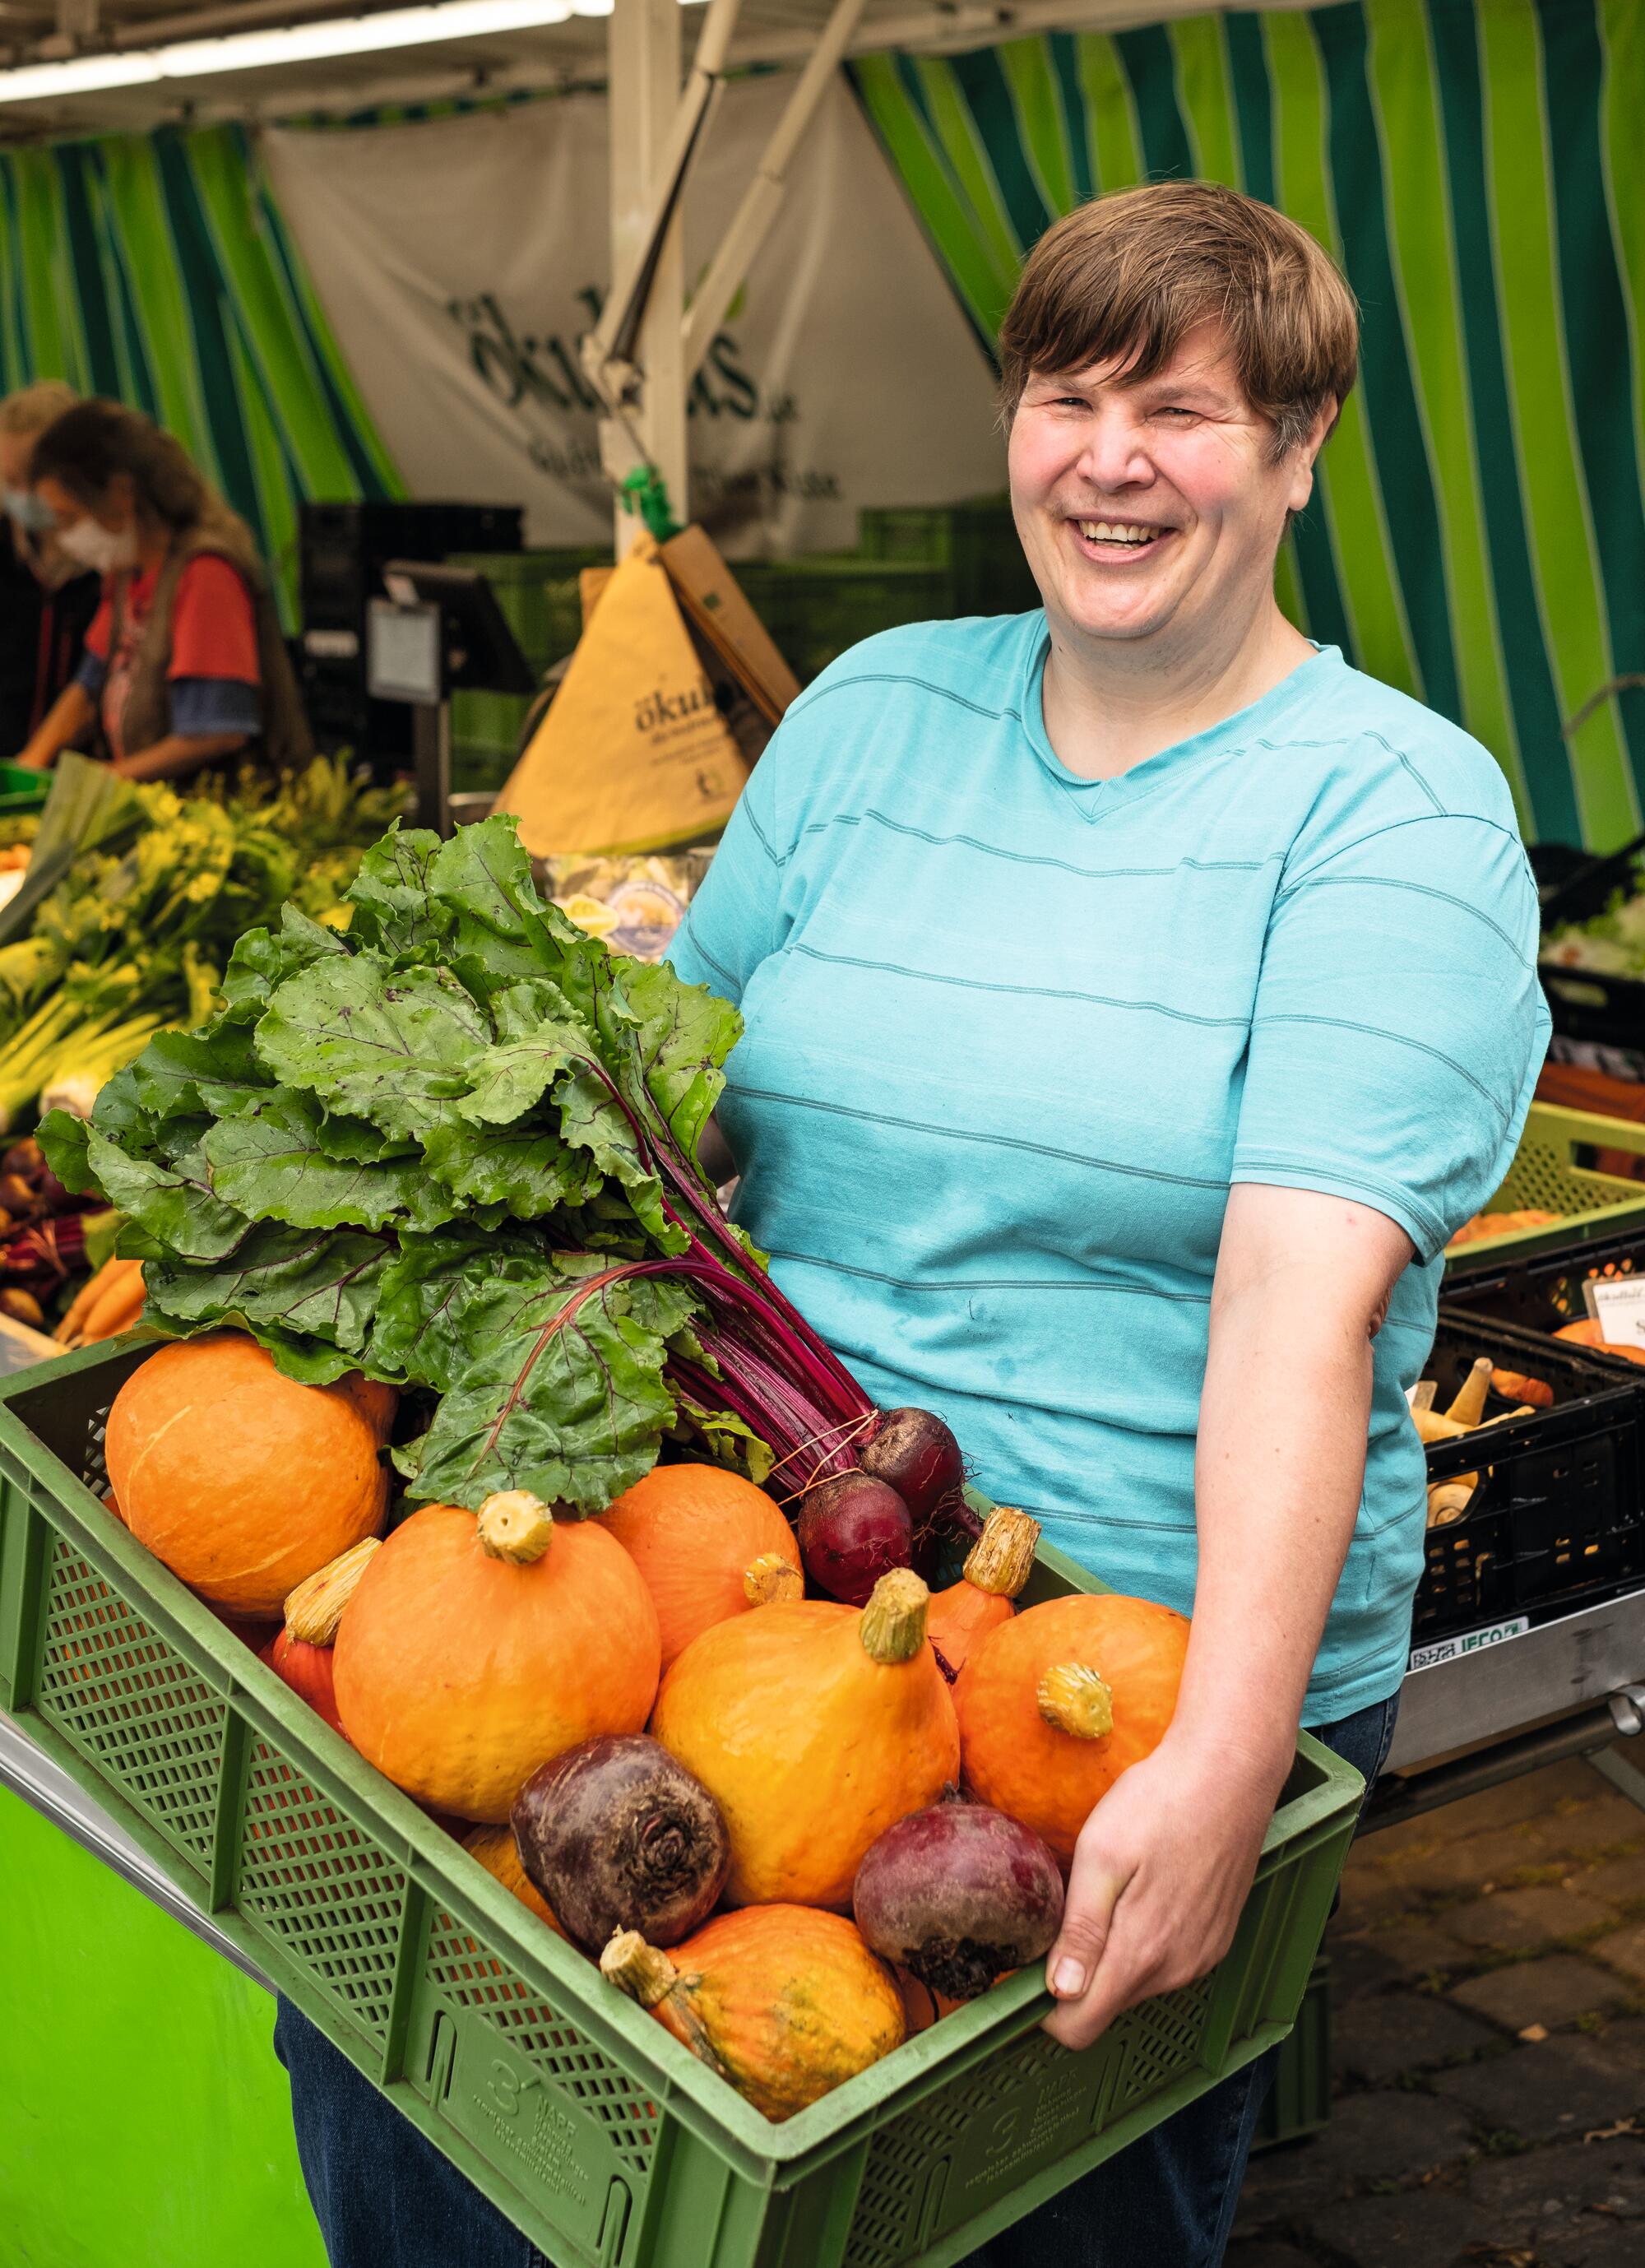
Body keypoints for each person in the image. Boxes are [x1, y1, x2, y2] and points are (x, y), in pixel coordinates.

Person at [271, 182, 1549, 2268]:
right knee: (459, 2101)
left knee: (1013, 2212)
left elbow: (1292, 1316)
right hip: (750, 1593)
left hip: (1117, 1663)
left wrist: (1224, 1757)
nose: (1108, 457)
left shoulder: (1387, 813)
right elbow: (665, 1108)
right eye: (1064, 395)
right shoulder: (869, 716)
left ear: (1300, 449)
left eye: (1184, 410)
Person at [12, 398, 311, 782]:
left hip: (220, 813)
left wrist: (102, 783)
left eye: (70, 518)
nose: (66, 537)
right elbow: (88, 684)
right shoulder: (127, 573)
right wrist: (29, 765)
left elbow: (217, 730)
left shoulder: (205, 572)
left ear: (121, 495)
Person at [0, 382, 100, 761]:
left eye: (29, 477)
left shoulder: (111, 561)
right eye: (8, 480)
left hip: (85, 776)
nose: (20, 492)